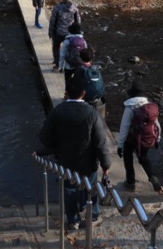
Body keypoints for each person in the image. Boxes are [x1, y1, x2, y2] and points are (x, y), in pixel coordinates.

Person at [35, 76, 112, 230]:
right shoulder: (91, 113)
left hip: (65, 160)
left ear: (66, 92)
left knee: (69, 190)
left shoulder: (57, 112)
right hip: (88, 161)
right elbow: (100, 142)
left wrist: (54, 146)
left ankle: (73, 220)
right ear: (84, 93)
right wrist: (106, 164)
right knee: (90, 187)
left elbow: (44, 138)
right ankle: (93, 216)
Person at [117, 82, 162, 192]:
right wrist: (158, 138)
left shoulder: (130, 108)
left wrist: (120, 145)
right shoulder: (149, 106)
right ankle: (153, 177)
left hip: (132, 138)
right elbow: (157, 125)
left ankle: (130, 182)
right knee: (143, 158)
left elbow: (124, 127)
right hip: (146, 137)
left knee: (128, 158)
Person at [48, 0, 81, 70]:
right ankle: (68, 64)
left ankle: (57, 64)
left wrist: (50, 31)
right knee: (69, 48)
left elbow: (52, 20)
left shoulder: (57, 7)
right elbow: (78, 20)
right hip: (70, 33)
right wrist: (77, 31)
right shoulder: (73, 7)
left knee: (56, 47)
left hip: (59, 32)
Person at [72, 47, 106, 119]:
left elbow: (75, 84)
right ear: (91, 59)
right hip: (98, 95)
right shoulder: (96, 69)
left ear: (80, 58)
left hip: (86, 97)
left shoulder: (80, 69)